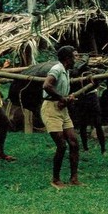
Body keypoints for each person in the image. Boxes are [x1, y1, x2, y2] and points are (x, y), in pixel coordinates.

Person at [41, 45, 81, 189]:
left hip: (62, 110)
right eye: (74, 56)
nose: (76, 59)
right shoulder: (57, 69)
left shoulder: (66, 71)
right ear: (67, 58)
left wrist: (66, 98)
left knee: (74, 143)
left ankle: (74, 178)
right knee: (61, 145)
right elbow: (46, 86)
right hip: (51, 109)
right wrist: (61, 98)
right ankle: (56, 179)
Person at [70, 51, 106, 154]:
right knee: (82, 125)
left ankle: (103, 149)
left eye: (77, 55)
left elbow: (102, 71)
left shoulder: (86, 68)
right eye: (74, 56)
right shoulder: (71, 69)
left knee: (98, 124)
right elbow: (75, 72)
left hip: (92, 97)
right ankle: (85, 148)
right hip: (80, 98)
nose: (76, 58)